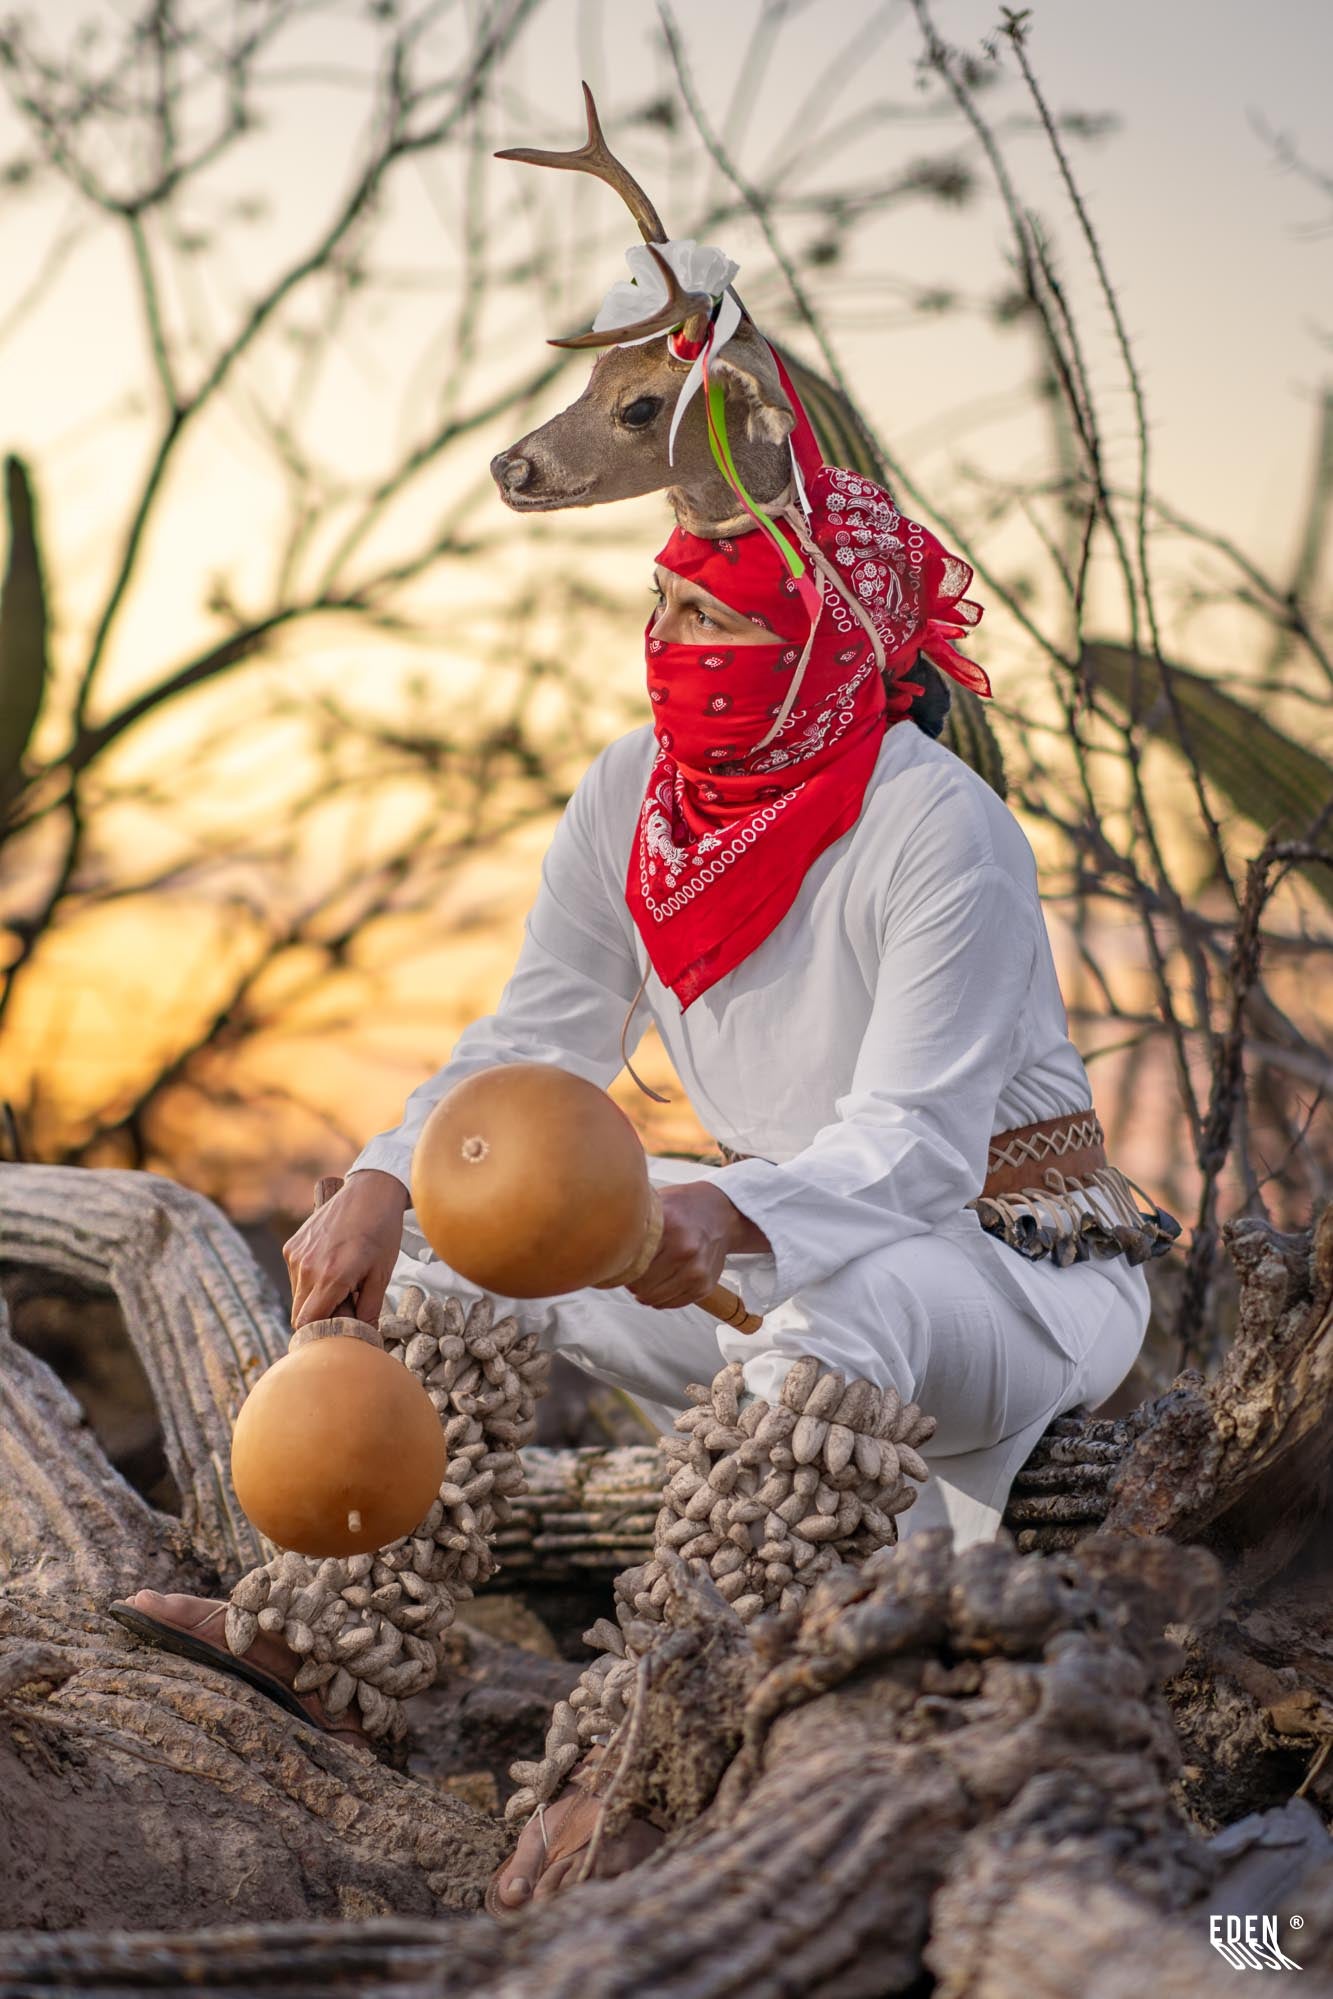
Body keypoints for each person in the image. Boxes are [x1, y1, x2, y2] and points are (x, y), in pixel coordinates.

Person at [116, 362, 1175, 1898]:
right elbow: (534, 1039)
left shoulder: (936, 824)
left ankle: (643, 1758)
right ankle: (337, 1647)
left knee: (846, 1303)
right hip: (769, 1255)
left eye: (724, 624)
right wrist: (381, 1178)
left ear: (824, 645)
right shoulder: (638, 795)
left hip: (1004, 1275)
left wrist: (727, 1221)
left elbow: (919, 1149)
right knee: (456, 1264)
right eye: (669, 611)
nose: (679, 648)